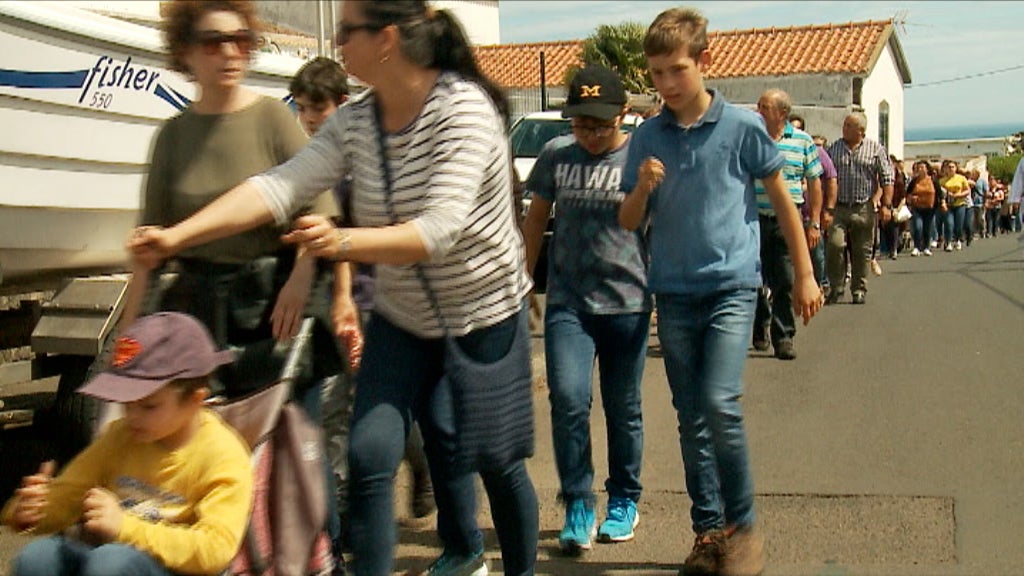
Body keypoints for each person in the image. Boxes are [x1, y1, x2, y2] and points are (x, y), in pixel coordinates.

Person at [128, 2, 539, 575]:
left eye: (347, 32)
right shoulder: (357, 122)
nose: (337, 43)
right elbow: (277, 187)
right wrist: (176, 236)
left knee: (494, 461)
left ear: (387, 39)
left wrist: (338, 244)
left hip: (484, 314)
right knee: (370, 457)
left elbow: (437, 232)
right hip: (404, 320)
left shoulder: (462, 111)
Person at [619, 8, 822, 576]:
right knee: (690, 416)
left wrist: (804, 273)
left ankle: (743, 526)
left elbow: (783, 199)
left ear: (705, 62)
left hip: (733, 286)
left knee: (719, 405)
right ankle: (709, 534)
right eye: (656, 73)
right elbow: (629, 220)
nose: (665, 83)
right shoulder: (648, 136)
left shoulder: (742, 127)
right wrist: (640, 187)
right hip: (674, 292)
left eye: (676, 70)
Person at [287, 57, 436, 539]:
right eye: (303, 108)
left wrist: (346, 294)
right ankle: (344, 510)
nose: (310, 118)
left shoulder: (356, 163)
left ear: (341, 105)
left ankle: (413, 467)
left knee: (365, 402)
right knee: (338, 406)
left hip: (368, 298)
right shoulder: (308, 160)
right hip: (324, 300)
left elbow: (347, 234)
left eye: (319, 108)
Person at [1, 312, 253, 576]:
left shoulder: (223, 456)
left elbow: (215, 550)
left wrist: (124, 527)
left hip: (168, 568)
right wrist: (30, 510)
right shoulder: (122, 437)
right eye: (126, 404)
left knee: (111, 562)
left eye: (148, 406)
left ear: (195, 401)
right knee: (37, 558)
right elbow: (70, 495)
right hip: (106, 556)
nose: (132, 416)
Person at [522, 65, 651, 553]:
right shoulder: (557, 155)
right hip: (568, 304)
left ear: (624, 114)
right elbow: (535, 219)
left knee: (624, 409)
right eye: (581, 124)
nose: (591, 136)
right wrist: (522, 282)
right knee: (569, 400)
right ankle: (578, 499)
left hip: (628, 304)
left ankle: (623, 498)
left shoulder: (642, 159)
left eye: (600, 125)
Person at [751, 89, 822, 361]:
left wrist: (814, 221)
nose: (759, 112)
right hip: (753, 219)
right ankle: (760, 323)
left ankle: (783, 336)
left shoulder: (802, 142)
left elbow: (815, 181)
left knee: (784, 279)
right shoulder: (751, 139)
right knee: (752, 278)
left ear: (782, 113)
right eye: (758, 106)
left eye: (765, 107)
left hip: (785, 222)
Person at [824, 113, 894, 305]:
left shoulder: (876, 149)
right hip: (839, 207)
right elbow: (826, 176)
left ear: (860, 131)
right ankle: (837, 286)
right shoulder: (834, 148)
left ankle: (859, 288)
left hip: (863, 206)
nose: (844, 128)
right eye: (844, 125)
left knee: (862, 250)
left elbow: (887, 178)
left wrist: (886, 205)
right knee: (835, 245)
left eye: (849, 126)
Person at [811, 135, 838, 293]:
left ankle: (820, 283)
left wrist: (828, 209)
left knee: (817, 251)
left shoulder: (818, 153)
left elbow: (831, 179)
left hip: (813, 214)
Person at [906, 160, 941, 257]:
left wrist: (942, 202)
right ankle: (916, 247)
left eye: (922, 167)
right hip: (917, 207)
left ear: (927, 169)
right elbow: (908, 193)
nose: (920, 169)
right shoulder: (914, 181)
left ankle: (926, 247)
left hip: (930, 208)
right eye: (919, 168)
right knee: (918, 227)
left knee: (927, 228)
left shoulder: (933, 180)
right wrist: (911, 198)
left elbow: (939, 193)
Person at [939, 160, 971, 251]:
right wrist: (943, 202)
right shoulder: (942, 181)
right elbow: (940, 194)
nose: (951, 169)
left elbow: (967, 190)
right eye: (949, 167)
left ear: (956, 168)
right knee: (949, 224)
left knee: (959, 225)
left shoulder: (961, 178)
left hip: (960, 204)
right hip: (948, 205)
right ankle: (948, 242)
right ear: (946, 169)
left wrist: (958, 195)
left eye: (953, 167)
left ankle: (957, 240)